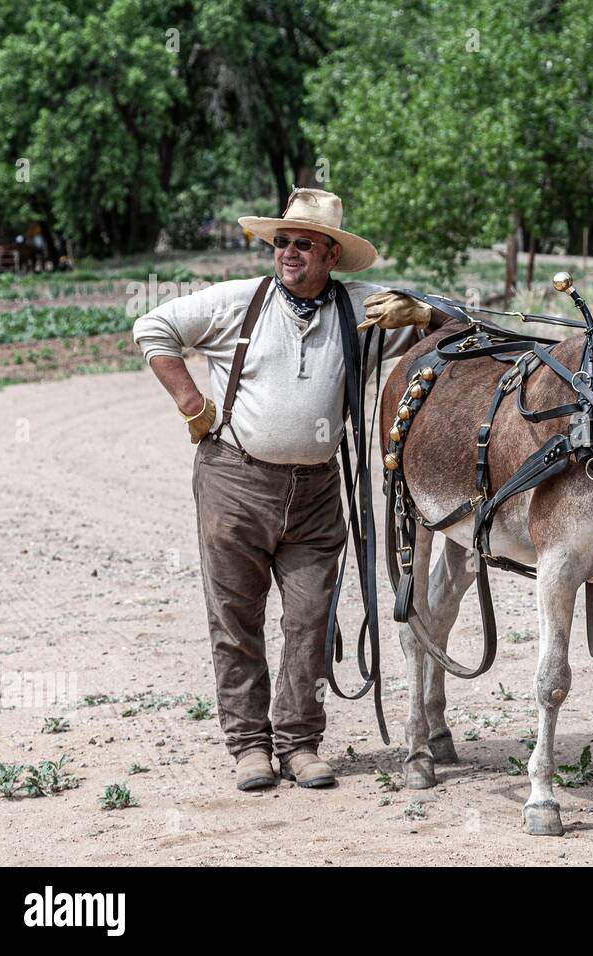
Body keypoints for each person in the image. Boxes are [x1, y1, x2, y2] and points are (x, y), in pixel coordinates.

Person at [133, 188, 431, 791]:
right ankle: (249, 745)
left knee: (310, 619)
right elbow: (153, 326)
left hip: (318, 490)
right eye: (282, 242)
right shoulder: (239, 301)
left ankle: (299, 742)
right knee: (236, 616)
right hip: (234, 481)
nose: (288, 252)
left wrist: (422, 313)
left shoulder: (361, 309)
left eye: (303, 243)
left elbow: (450, 324)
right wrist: (192, 403)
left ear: (329, 254)